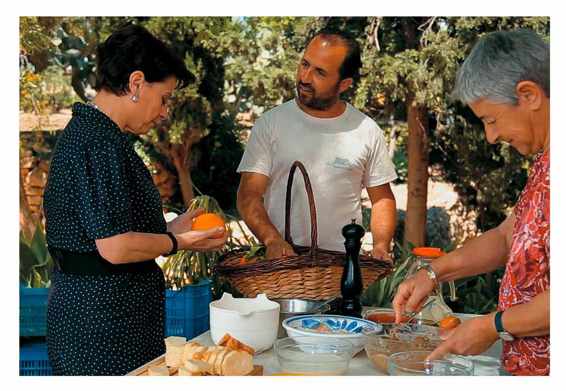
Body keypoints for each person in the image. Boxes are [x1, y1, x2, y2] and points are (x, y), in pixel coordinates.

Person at [43, 23, 228, 375]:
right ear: (136, 83)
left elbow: (102, 232)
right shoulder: (99, 143)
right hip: (101, 326)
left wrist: (172, 226)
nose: (164, 112)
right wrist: (179, 241)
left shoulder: (97, 135)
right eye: (164, 98)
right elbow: (114, 247)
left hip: (104, 316)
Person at [392, 29, 550, 376]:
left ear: (529, 95)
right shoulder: (547, 162)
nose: (492, 136)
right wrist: (432, 273)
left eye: (491, 120)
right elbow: (507, 237)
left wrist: (491, 326)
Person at [237, 29, 397, 260]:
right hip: (280, 267)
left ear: (344, 84)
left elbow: (382, 198)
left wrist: (381, 246)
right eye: (305, 64)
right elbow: (248, 196)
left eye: (320, 72)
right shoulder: (271, 124)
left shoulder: (366, 130)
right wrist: (272, 240)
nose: (304, 77)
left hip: (344, 270)